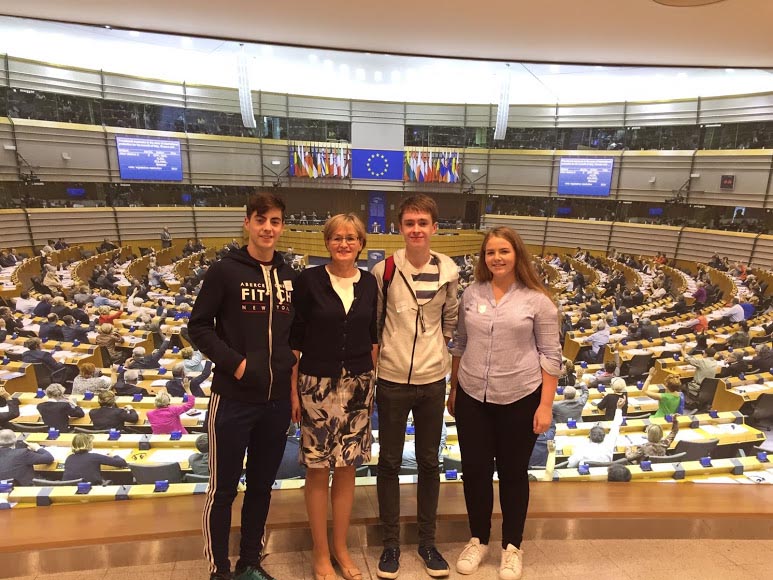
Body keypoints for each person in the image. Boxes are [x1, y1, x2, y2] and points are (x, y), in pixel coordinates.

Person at [188, 192, 298, 580]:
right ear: (247, 222)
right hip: (233, 400)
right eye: (261, 220)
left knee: (262, 487)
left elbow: (293, 335)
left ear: (282, 226)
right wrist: (235, 364)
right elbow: (198, 326)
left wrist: (289, 378)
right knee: (223, 490)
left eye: (275, 221)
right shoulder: (224, 271)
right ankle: (219, 570)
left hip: (275, 403)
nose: (268, 228)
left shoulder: (289, 276)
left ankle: (250, 561)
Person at [448, 226, 561, 580]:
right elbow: (459, 344)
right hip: (472, 396)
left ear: (517, 255)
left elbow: (551, 356)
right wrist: (454, 388)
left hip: (519, 397)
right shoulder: (471, 293)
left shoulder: (538, 301)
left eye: (503, 251)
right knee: (476, 472)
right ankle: (478, 538)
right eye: (490, 252)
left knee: (513, 474)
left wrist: (545, 406)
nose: (496, 257)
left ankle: (512, 546)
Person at [371, 194, 459, 579]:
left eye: (423, 223)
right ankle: (391, 544)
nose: (416, 229)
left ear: (434, 228)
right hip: (391, 379)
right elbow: (374, 324)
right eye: (410, 223)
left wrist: (445, 367)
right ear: (400, 228)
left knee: (429, 462)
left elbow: (452, 325)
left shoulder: (450, 272)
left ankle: (427, 542)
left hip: (431, 380)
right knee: (388, 463)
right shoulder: (383, 271)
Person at [290, 213, 378, 580]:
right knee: (317, 469)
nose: (344, 243)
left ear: (361, 243)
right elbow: (294, 340)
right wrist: (293, 392)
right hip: (315, 386)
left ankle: (341, 547)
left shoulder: (370, 283)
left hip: (358, 385)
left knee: (346, 470)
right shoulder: (308, 281)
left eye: (351, 238)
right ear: (327, 242)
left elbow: (373, 337)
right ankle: (320, 553)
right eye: (337, 237)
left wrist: (368, 388)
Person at [566, 400, 625, 468]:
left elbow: (570, 465)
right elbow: (616, 425)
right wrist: (619, 408)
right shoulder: (609, 443)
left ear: (589, 436)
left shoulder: (582, 449)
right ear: (604, 436)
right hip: (606, 473)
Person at [62, 433, 128, 484]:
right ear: (88, 444)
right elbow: (122, 463)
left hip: (69, 489)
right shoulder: (94, 457)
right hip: (91, 489)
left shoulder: (69, 458)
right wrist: (115, 455)